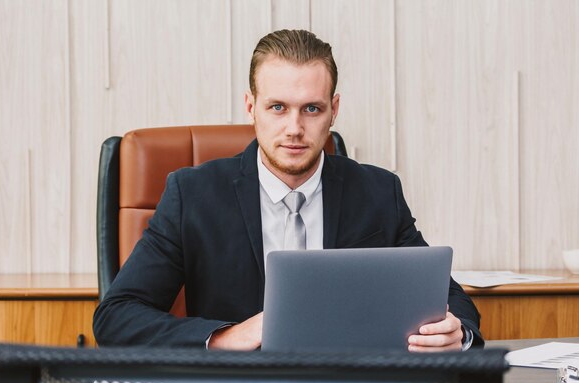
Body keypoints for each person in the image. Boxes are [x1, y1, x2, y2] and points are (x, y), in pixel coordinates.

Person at [93, 29, 483, 351]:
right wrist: (225, 336)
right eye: (277, 107)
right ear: (251, 108)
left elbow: (452, 300)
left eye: (311, 109)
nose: (294, 128)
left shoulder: (379, 192)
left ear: (334, 110)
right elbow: (117, 317)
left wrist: (457, 333)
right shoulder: (192, 195)